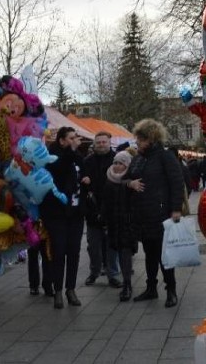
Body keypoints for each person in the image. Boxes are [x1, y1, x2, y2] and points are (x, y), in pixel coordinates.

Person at [123, 118, 185, 308]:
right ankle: (151, 288)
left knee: (164, 255)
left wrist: (176, 209)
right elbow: (127, 178)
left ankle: (171, 290)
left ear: (151, 139)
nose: (137, 143)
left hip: (161, 214)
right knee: (149, 254)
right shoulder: (138, 158)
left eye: (140, 140)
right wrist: (129, 184)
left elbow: (177, 182)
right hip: (142, 215)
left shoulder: (165, 156)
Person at [39, 126, 85, 309]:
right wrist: (71, 153)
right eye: (71, 138)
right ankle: (57, 289)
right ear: (62, 141)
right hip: (56, 213)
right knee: (59, 252)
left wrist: (85, 179)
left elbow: (83, 172)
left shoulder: (77, 157)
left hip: (75, 213)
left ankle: (71, 289)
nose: (75, 140)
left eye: (75, 137)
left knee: (73, 251)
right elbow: (57, 172)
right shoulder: (52, 158)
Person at [81, 131, 122, 288]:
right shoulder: (88, 161)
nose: (101, 145)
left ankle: (112, 274)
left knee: (112, 245)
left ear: (109, 142)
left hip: (112, 209)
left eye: (104, 142)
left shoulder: (116, 160)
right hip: (93, 209)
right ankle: (94, 272)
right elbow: (82, 183)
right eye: (98, 142)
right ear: (94, 144)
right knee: (93, 246)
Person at [103, 150, 138, 301]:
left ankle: (127, 285)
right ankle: (125, 281)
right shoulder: (109, 179)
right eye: (115, 162)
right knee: (118, 249)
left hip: (128, 222)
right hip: (113, 222)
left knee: (125, 252)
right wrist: (104, 219)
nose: (117, 166)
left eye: (121, 163)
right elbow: (106, 202)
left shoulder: (132, 180)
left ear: (127, 165)